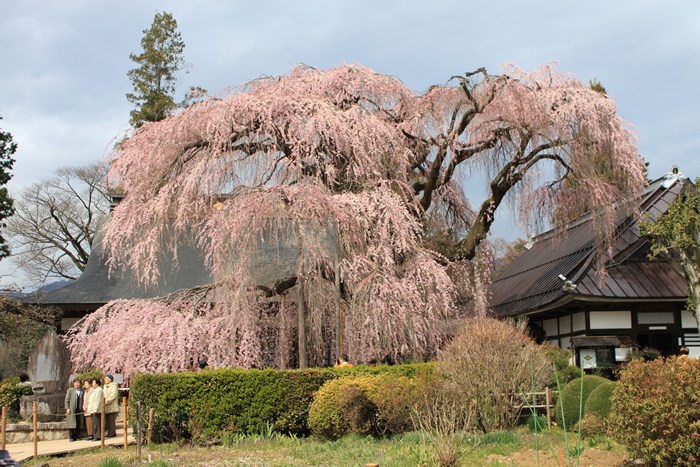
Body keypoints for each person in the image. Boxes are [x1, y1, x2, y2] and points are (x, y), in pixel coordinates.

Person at [64, 378, 84, 442]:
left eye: (78, 383)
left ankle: (77, 436)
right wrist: (67, 408)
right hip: (72, 409)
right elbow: (67, 399)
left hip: (79, 408)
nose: (76, 384)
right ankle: (71, 436)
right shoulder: (70, 390)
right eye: (75, 383)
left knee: (79, 422)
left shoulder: (82, 390)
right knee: (71, 423)